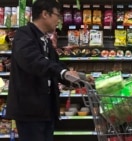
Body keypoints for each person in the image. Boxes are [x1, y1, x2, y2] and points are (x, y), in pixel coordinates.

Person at [5, 0, 80, 141]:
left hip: (46, 110)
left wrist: (80, 78)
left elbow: (56, 64)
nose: (59, 21)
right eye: (57, 15)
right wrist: (62, 72)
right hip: (30, 111)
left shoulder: (45, 40)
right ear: (45, 14)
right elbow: (33, 61)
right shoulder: (23, 35)